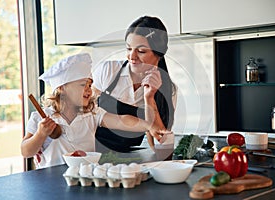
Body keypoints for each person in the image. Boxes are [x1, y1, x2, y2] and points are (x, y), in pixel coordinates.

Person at [20, 53, 165, 168]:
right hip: (50, 182)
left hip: (85, 177)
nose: (89, 90)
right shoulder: (40, 118)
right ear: (62, 89)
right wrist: (40, 134)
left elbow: (121, 120)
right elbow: (26, 151)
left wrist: (148, 125)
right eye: (83, 85)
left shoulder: (92, 113)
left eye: (90, 85)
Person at [92, 16, 177, 153]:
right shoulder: (108, 71)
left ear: (159, 53)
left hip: (130, 163)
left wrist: (149, 99)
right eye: (129, 48)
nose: (132, 56)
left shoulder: (168, 90)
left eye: (141, 51)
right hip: (92, 155)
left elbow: (159, 144)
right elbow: (85, 115)